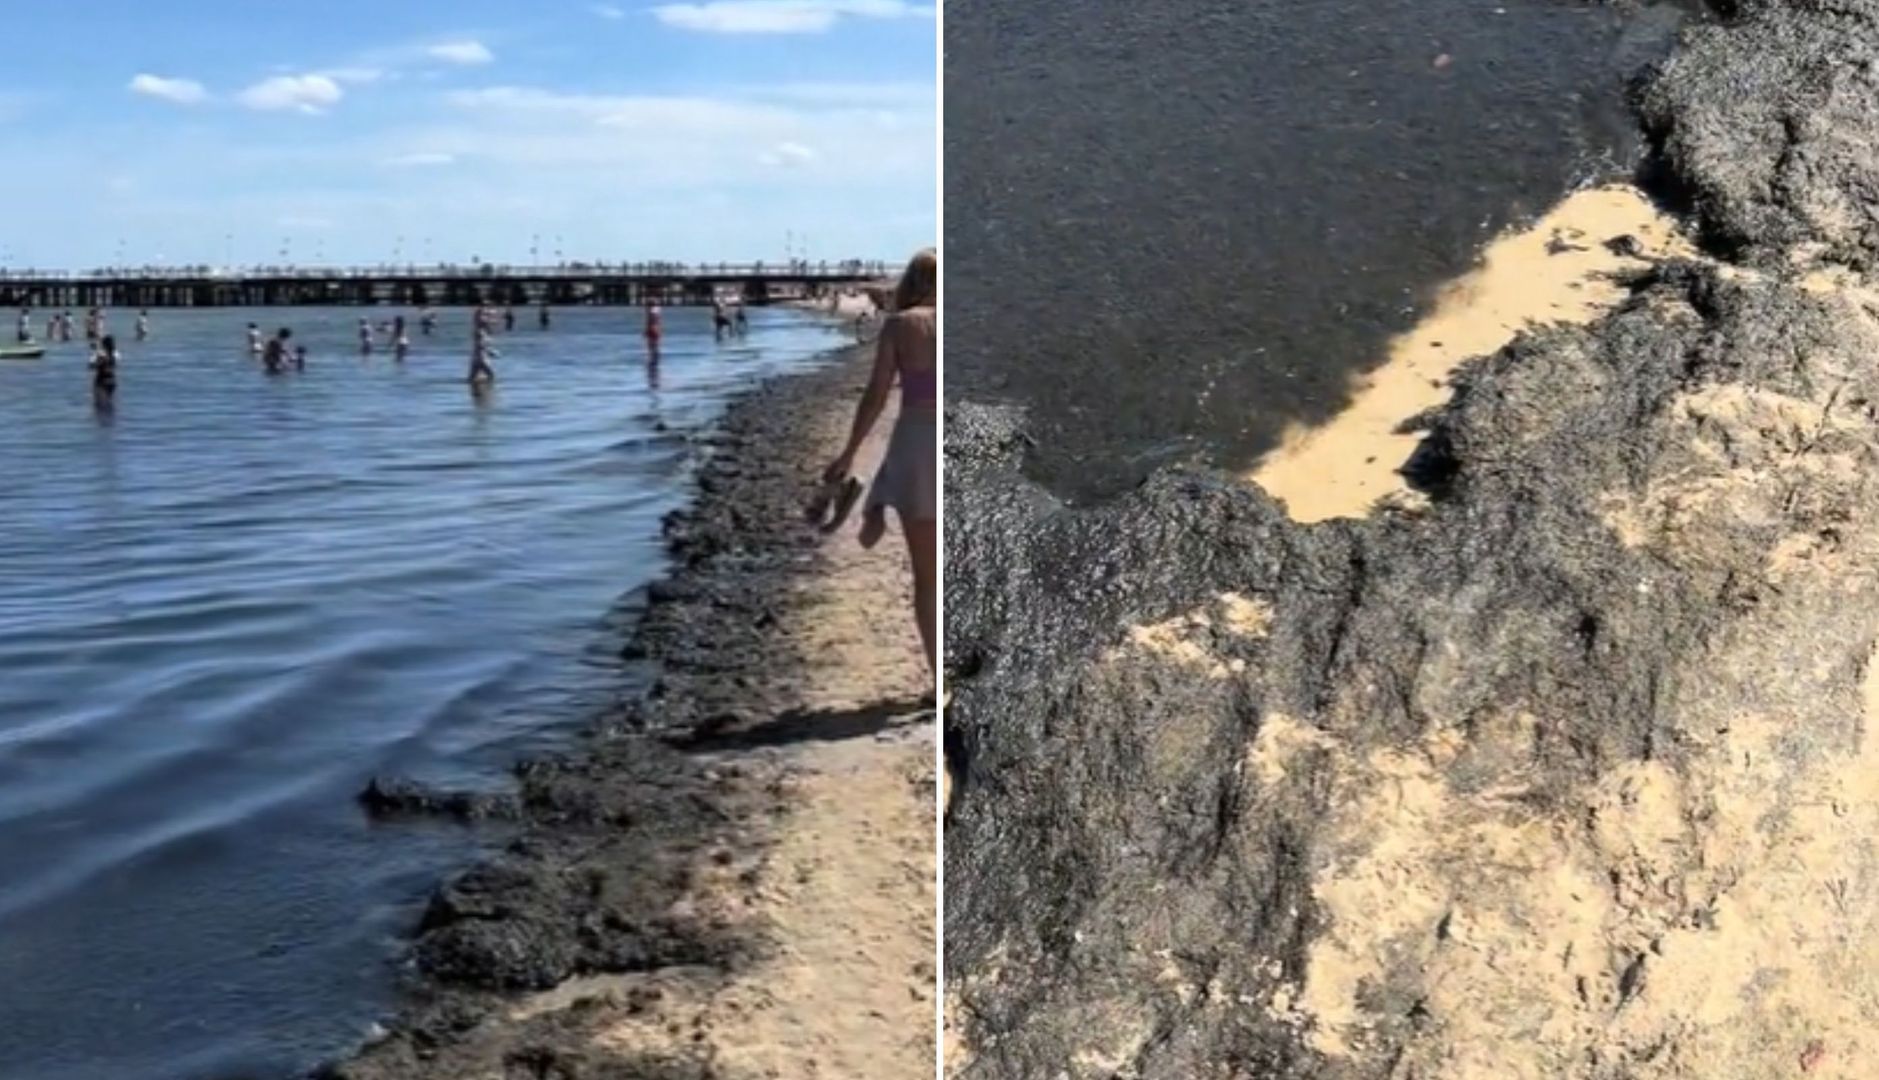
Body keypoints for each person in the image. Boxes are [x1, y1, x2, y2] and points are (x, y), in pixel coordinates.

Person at [823, 248, 937, 676]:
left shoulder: (901, 326)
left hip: (914, 444)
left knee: (927, 578)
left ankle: (935, 680)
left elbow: (875, 395)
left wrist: (849, 452)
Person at [90, 334, 119, 403]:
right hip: (112, 379)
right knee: (110, 403)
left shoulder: (100, 354)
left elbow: (91, 365)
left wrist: (94, 352)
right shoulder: (116, 354)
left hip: (100, 379)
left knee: (98, 404)